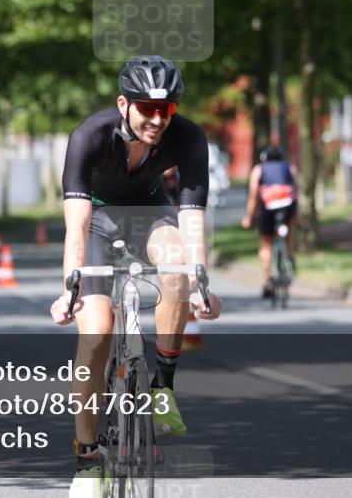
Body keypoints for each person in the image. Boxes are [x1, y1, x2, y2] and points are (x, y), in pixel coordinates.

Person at [49, 55, 223, 498]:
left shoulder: (188, 137)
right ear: (123, 104)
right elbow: (76, 225)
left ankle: (163, 387)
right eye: (147, 108)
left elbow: (192, 218)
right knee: (96, 332)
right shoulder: (90, 136)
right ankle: (87, 459)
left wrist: (201, 281)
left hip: (150, 214)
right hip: (98, 224)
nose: (157, 119)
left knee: (177, 267)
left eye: (166, 110)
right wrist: (70, 287)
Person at [241, 145, 299, 298]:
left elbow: (253, 197)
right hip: (288, 206)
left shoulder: (259, 169)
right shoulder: (290, 167)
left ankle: (267, 279)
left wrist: (249, 217)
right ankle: (290, 254)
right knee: (291, 225)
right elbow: (295, 191)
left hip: (268, 207)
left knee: (266, 242)